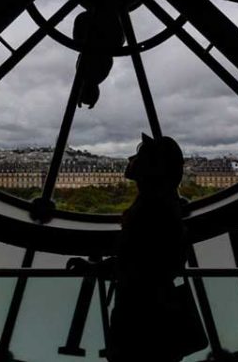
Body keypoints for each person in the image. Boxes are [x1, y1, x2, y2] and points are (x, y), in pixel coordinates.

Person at [70, 133, 191, 361]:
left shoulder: (150, 208)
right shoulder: (162, 206)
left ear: (152, 166)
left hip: (137, 313)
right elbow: (147, 262)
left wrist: (97, 269)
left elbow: (135, 263)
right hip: (154, 312)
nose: (130, 158)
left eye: (139, 155)